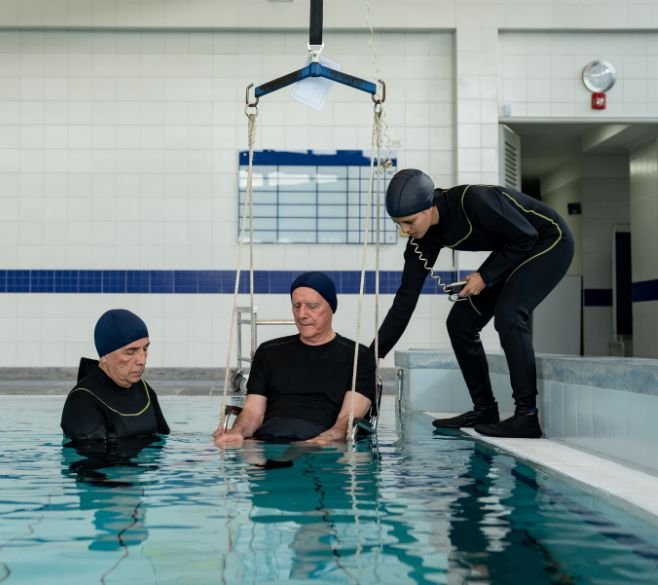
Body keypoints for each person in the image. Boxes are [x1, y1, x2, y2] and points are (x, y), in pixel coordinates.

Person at [375, 169, 574, 438]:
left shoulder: (473, 200)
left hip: (550, 241)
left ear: (429, 206)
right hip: (515, 250)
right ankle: (485, 409)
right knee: (460, 323)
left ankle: (527, 415)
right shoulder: (422, 241)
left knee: (509, 315)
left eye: (408, 222)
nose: (404, 231)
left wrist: (486, 276)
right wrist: (372, 355)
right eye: (398, 224)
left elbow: (526, 235)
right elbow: (405, 300)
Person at [214, 271, 375, 446]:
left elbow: (347, 420)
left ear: (331, 307)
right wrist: (237, 432)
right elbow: (253, 413)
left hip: (319, 449)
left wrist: (322, 440)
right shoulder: (268, 352)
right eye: (296, 305)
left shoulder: (359, 356)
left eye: (312, 306)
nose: (301, 314)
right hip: (266, 442)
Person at [61, 309, 170, 442]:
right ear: (104, 356)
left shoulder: (145, 390)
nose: (142, 360)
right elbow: (92, 459)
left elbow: (164, 439)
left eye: (145, 349)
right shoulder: (82, 403)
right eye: (130, 352)